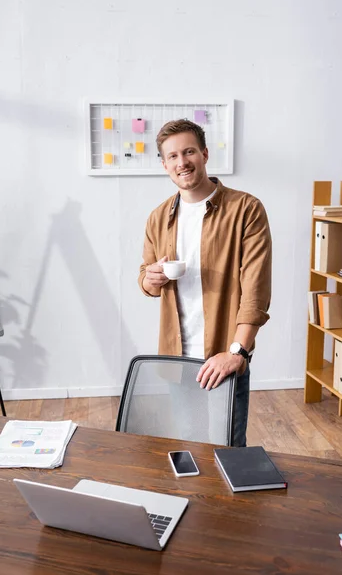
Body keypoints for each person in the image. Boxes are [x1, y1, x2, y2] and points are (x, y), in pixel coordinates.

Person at [138, 119, 271, 446]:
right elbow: (146, 279)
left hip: (223, 355)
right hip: (177, 356)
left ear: (205, 154)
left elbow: (255, 292)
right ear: (164, 164)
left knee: (228, 446)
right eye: (172, 156)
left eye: (189, 152)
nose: (181, 162)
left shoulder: (246, 209)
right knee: (189, 442)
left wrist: (237, 352)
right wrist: (150, 278)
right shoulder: (158, 218)